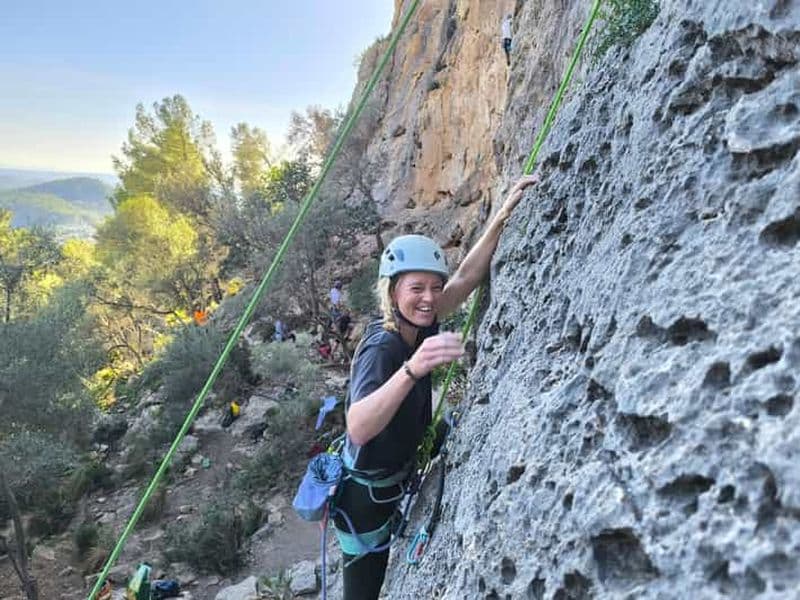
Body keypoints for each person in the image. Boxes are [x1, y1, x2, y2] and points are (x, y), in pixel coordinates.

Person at [333, 175, 537, 599]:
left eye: (432, 287)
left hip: (395, 478)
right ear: (392, 293)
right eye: (416, 289)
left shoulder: (419, 321)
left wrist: (501, 218)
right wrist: (413, 368)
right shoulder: (384, 346)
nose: (429, 298)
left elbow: (463, 280)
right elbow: (358, 426)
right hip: (365, 500)